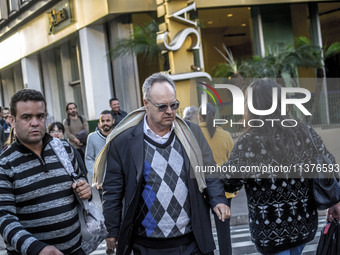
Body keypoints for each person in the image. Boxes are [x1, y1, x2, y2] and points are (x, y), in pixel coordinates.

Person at [95, 73, 230, 255]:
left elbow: (209, 171)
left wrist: (218, 200)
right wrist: (112, 230)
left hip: (193, 241)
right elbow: (113, 190)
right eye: (162, 106)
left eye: (174, 105)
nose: (170, 111)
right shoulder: (124, 141)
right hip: (148, 245)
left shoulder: (192, 133)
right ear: (146, 104)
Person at [222, 78, 340, 255]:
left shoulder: (248, 143)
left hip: (270, 234)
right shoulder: (303, 131)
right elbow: (328, 164)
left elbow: (230, 182)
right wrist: (336, 200)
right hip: (304, 226)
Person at [0, 89, 91, 255]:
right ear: (12, 121)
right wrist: (37, 248)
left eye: (40, 116)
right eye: (27, 117)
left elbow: (80, 182)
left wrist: (86, 190)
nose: (35, 123)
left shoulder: (64, 149)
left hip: (75, 249)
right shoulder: (4, 164)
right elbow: (4, 218)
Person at [199, 103, 235, 255]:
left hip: (201, 188)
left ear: (199, 116)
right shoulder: (226, 136)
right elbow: (233, 164)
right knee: (224, 232)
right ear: (215, 116)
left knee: (204, 231)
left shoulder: (194, 134)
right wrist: (235, 187)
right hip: (224, 190)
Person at [85, 110, 114, 187]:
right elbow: (89, 158)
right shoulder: (92, 137)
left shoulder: (118, 136)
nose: (105, 123)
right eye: (102, 121)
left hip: (117, 179)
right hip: (101, 182)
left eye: (108, 120)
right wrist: (95, 177)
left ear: (113, 121)